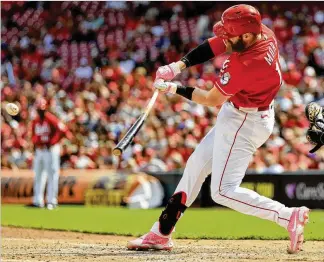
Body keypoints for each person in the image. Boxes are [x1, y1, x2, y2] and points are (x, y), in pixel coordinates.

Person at [127, 4, 310, 254]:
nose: (225, 37)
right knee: (195, 166)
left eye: (230, 34)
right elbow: (216, 44)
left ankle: (287, 216)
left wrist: (174, 89)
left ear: (246, 35)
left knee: (223, 192)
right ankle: (160, 233)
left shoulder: (247, 64)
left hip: (245, 122)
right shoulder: (261, 32)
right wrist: (178, 66)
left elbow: (211, 99)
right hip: (243, 114)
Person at [29, 98, 72, 210]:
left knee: (52, 174)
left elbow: (63, 131)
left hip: (50, 149)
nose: (40, 112)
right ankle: (38, 200)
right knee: (38, 174)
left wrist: (52, 142)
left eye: (42, 109)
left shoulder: (51, 119)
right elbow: (33, 135)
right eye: (38, 109)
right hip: (40, 150)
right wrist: (36, 144)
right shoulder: (36, 121)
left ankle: (52, 201)